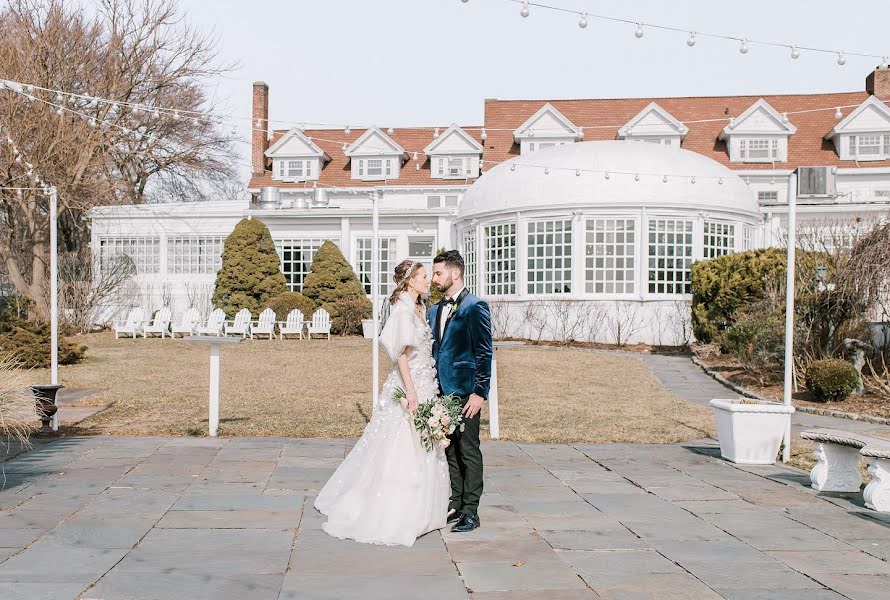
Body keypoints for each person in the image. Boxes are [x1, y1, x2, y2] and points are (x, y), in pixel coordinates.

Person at [314, 260, 449, 546]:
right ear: (411, 281)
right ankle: (398, 509)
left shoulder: (419, 307)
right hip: (411, 384)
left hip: (426, 381)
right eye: (424, 277)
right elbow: (400, 354)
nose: (428, 281)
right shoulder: (402, 310)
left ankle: (427, 508)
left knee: (423, 442)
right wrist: (411, 392)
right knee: (403, 444)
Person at [428, 250, 493, 533]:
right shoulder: (434, 310)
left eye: (438, 273)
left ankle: (471, 510)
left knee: (468, 450)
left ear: (455, 273)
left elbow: (484, 352)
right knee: (450, 450)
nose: (434, 279)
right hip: (441, 392)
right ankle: (455, 502)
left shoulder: (475, 306)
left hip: (467, 393)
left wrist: (480, 393)